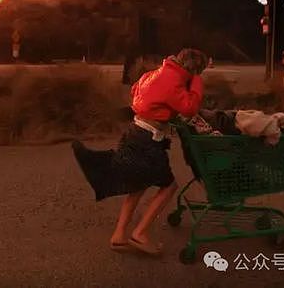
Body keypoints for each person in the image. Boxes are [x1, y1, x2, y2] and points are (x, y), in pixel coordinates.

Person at [72, 48, 207, 256]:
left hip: (135, 131)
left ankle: (119, 236)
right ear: (193, 69)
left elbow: (134, 91)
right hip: (148, 139)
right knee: (169, 187)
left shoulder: (153, 74)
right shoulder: (173, 81)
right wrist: (197, 83)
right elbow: (189, 108)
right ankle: (140, 233)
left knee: (138, 184)